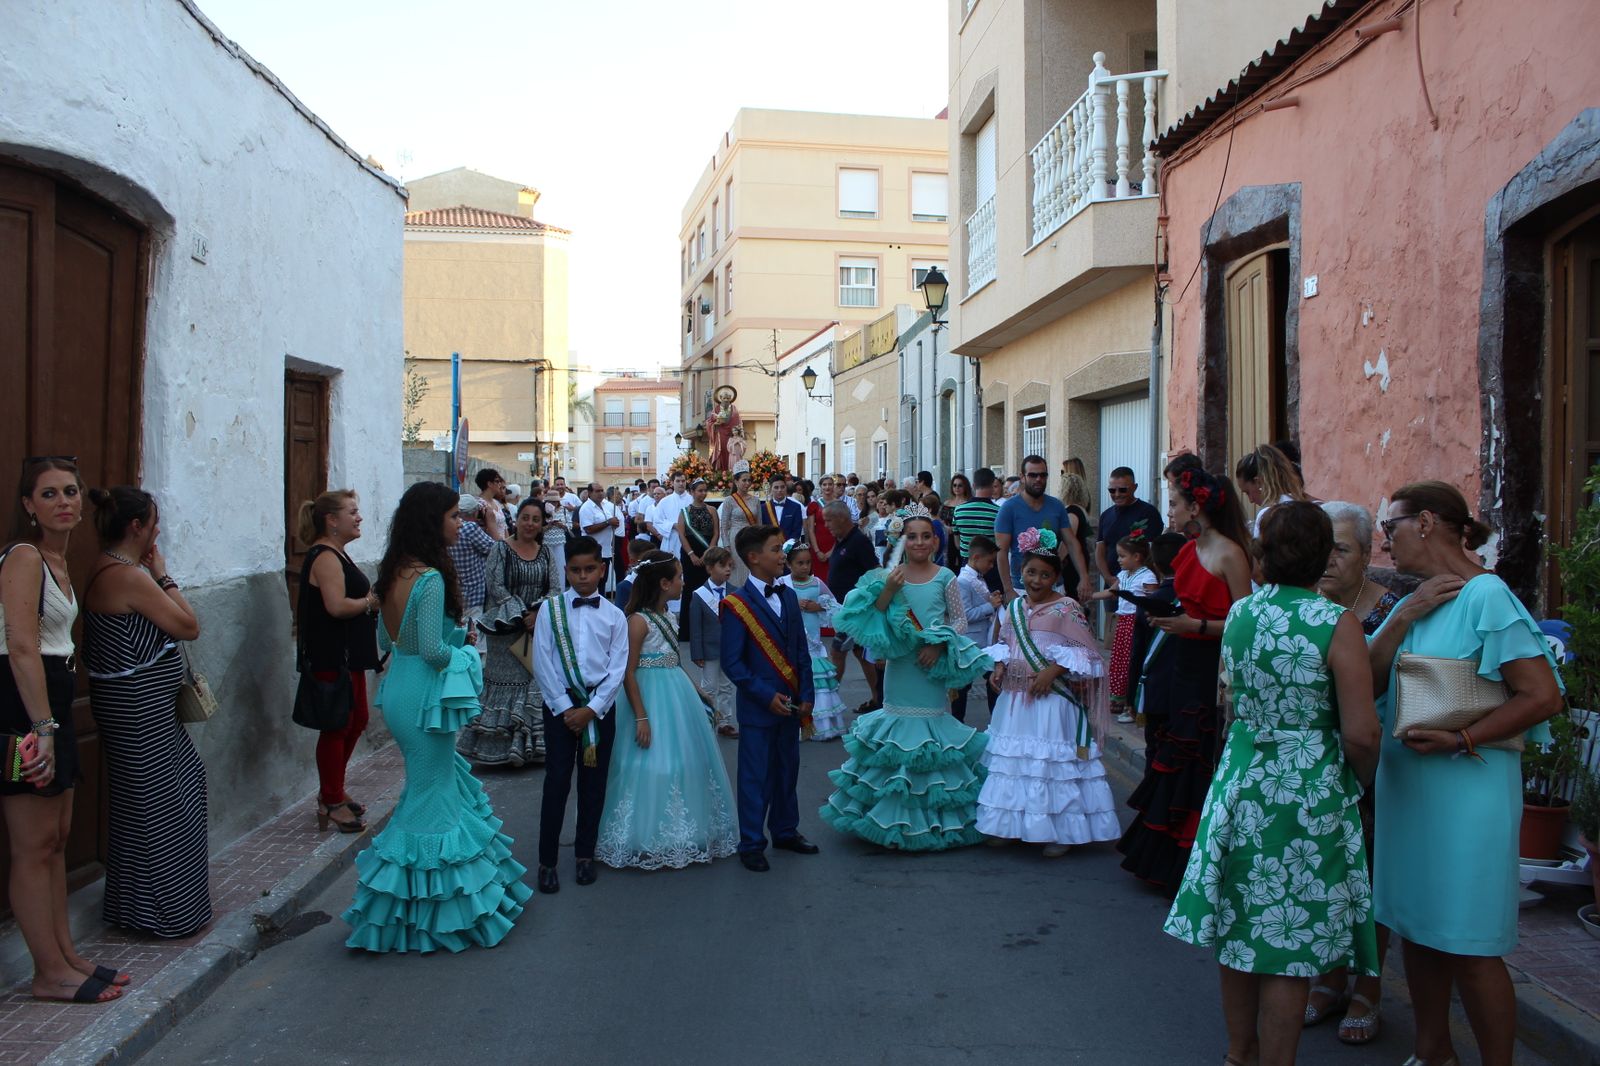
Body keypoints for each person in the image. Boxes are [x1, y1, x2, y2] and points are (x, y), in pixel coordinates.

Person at [1165, 502, 1382, 1066]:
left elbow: (1229, 701)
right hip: (1306, 791)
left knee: (1240, 927)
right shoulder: (1337, 623)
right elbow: (1361, 733)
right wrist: (1358, 786)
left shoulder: (1241, 614)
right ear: (1322, 556)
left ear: (1263, 555)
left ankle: (1240, 1054)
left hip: (1242, 779)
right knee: (1288, 945)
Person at [1366, 481, 1564, 1066]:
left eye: (1391, 527)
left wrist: (1463, 736)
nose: (1386, 542)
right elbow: (1369, 681)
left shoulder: (1487, 597)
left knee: (1472, 944)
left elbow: (1544, 696)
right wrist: (1404, 615)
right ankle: (1433, 1053)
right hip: (1409, 787)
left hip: (1465, 787)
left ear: (1426, 522)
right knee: (1416, 929)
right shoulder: (1417, 599)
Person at [344, 482, 531, 952]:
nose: (460, 524)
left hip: (402, 690)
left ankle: (416, 907)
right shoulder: (426, 578)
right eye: (453, 516)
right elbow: (432, 651)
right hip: (427, 692)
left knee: (431, 789)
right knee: (430, 799)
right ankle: (432, 913)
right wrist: (467, 652)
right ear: (432, 522)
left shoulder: (392, 572)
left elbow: (389, 644)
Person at [0, 459, 126, 1004]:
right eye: (47, 494)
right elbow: (21, 644)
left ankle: (66, 955)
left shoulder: (60, 558)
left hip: (50, 696)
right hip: (23, 705)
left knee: (56, 840)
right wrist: (43, 727)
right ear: (28, 506)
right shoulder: (25, 557)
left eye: (70, 491)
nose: (63, 501)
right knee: (32, 845)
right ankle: (47, 972)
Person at [823, 505, 992, 850]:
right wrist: (887, 590)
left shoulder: (946, 576)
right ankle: (891, 818)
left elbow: (960, 622)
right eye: (912, 536)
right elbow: (875, 613)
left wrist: (940, 644)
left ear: (935, 540)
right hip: (901, 665)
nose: (919, 542)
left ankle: (933, 819)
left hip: (931, 667)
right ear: (903, 539)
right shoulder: (892, 573)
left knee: (929, 739)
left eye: (925, 536)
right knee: (898, 734)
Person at [82, 486, 210, 938]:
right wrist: (165, 577)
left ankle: (138, 907)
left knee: (151, 801)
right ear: (137, 527)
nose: (159, 529)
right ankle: (166, 913)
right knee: (164, 805)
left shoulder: (112, 567)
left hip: (140, 710)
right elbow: (188, 626)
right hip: (140, 713)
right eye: (154, 521)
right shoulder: (128, 575)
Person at [1117, 467, 1252, 891]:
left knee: (1201, 758)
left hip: (1210, 670)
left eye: (1174, 503)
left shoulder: (1231, 552)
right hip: (1180, 664)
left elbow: (1245, 621)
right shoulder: (1189, 549)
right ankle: (1169, 861)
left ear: (1197, 507)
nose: (1169, 511)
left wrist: (1194, 627)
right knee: (1177, 755)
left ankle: (1198, 864)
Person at [1303, 500, 1401, 1043]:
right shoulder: (1307, 606)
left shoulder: (1388, 611)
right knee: (1326, 875)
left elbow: (1382, 689)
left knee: (1370, 879)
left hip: (1371, 763)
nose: (1330, 560)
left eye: (1342, 549)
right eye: (1324, 548)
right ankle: (1329, 975)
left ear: (1366, 555)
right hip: (1316, 767)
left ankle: (1368, 985)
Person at [977, 529, 1119, 855]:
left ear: (1055, 577)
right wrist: (999, 668)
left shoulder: (1066, 608)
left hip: (1051, 700)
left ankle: (1058, 831)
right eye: (1030, 572)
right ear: (1020, 572)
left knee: (1050, 766)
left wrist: (1053, 671)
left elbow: (1085, 653)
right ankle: (1008, 824)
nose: (1036, 580)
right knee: (1015, 764)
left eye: (1044, 575)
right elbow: (1005, 644)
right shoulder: (1013, 609)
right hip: (1015, 700)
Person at [595, 554, 738, 870]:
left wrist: (700, 692)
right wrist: (641, 716)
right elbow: (628, 671)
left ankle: (683, 832)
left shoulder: (670, 616)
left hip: (677, 692)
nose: (683, 582)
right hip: (647, 694)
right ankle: (641, 833)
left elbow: (673, 659)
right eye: (679, 577)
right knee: (647, 763)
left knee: (686, 759)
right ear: (663, 584)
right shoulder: (638, 621)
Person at [530, 536, 630, 893]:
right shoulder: (550, 610)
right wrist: (566, 707)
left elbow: (617, 668)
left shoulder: (615, 615)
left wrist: (591, 709)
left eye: (590, 570)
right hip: (561, 709)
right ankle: (547, 861)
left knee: (593, 784)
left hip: (598, 711)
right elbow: (542, 661)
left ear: (602, 571)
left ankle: (585, 855)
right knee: (556, 783)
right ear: (566, 570)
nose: (583, 577)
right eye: (575, 570)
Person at [720, 525, 819, 873]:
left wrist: (806, 693)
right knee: (754, 776)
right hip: (759, 707)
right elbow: (733, 662)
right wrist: (765, 695)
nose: (782, 556)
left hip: (791, 703)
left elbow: (801, 650)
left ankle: (785, 830)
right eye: (776, 550)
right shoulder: (736, 604)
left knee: (786, 770)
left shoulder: (788, 596)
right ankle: (751, 841)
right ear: (753, 557)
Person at [292, 490, 381, 834]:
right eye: (352, 512)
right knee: (338, 725)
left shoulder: (337, 554)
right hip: (332, 656)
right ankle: (330, 800)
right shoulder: (326, 557)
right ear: (331, 520)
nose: (359, 518)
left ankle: (333, 790)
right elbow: (336, 606)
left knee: (355, 720)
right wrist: (369, 602)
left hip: (346, 656)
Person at [457, 499, 555, 769]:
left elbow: (555, 588)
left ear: (541, 523)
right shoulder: (501, 548)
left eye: (536, 519)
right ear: (518, 519)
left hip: (537, 628)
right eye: (525, 517)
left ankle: (532, 748)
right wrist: (522, 613)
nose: (530, 524)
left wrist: (538, 613)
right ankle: (499, 748)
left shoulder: (545, 552)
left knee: (534, 682)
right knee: (506, 682)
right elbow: (495, 585)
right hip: (505, 626)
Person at [778, 543, 846, 741]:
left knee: (815, 681)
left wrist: (818, 606)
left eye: (808, 562)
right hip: (790, 641)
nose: (805, 567)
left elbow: (834, 607)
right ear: (789, 564)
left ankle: (820, 724)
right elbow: (772, 607)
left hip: (812, 641)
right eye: (800, 563)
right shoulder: (782, 583)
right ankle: (795, 723)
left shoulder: (817, 583)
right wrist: (791, 604)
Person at [1089, 534, 1156, 724]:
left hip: (1137, 624)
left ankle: (1130, 704)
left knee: (1132, 662)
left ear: (1137, 556)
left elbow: (1152, 600)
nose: (1118, 560)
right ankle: (1118, 699)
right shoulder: (1123, 575)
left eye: (1122, 555)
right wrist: (1091, 596)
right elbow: (1112, 593)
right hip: (1123, 623)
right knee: (1119, 661)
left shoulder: (1147, 576)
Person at [824, 500, 882, 714]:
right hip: (844, 610)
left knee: (840, 652)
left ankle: (829, 701)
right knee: (859, 654)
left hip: (856, 612)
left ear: (842, 518)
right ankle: (877, 698)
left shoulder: (858, 541)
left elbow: (875, 572)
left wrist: (867, 603)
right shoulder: (842, 540)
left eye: (829, 520)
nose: (826, 525)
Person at [994, 456, 1073, 602]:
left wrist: (1084, 577)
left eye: (1043, 475)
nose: (1038, 479)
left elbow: (1072, 543)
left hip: (1054, 587)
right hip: (1021, 588)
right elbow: (1001, 551)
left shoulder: (1057, 506)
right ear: (1022, 477)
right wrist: (1008, 589)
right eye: (1033, 475)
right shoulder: (1009, 508)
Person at [952, 535, 1003, 724]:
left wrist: (991, 598)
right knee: (962, 687)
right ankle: (957, 724)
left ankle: (996, 723)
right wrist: (990, 606)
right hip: (969, 643)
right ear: (975, 558)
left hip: (984, 642)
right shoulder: (963, 581)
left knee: (993, 682)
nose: (991, 566)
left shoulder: (976, 578)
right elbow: (964, 615)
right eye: (989, 561)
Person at [688, 547, 738, 738]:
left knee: (726, 686)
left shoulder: (735, 592)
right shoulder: (699, 594)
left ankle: (725, 721)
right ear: (709, 568)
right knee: (709, 686)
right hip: (708, 650)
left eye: (730, 566)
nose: (727, 570)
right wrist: (696, 653)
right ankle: (706, 719)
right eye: (722, 565)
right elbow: (695, 628)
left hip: (729, 649)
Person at [1096, 466, 1164, 592]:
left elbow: (1153, 552)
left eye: (1122, 490)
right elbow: (1100, 550)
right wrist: (1108, 578)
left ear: (1134, 487)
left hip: (1140, 586)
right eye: (1112, 490)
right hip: (1113, 584)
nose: (1117, 494)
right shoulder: (1106, 516)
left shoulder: (1148, 513)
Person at [675, 479, 719, 642]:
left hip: (708, 552)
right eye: (699, 490)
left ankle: (709, 629)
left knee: (708, 589)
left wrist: (709, 552)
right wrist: (692, 554)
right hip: (690, 554)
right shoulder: (684, 511)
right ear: (692, 492)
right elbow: (681, 534)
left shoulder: (712, 510)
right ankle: (687, 632)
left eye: (705, 490)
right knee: (690, 591)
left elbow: (716, 532)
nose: (702, 493)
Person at [1236, 444, 1313, 535]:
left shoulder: (1266, 515)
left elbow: (1260, 549)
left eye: (1248, 492)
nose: (1251, 500)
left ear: (1258, 482)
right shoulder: (1307, 506)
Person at [447, 494, 495, 621]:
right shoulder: (470, 528)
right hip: (475, 596)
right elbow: (496, 549)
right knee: (476, 637)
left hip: (455, 596)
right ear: (474, 513)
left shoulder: (447, 531)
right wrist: (490, 525)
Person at [952, 468, 1002, 572]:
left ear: (974, 485)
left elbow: (957, 544)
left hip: (967, 563)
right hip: (990, 565)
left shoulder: (958, 510)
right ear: (992, 486)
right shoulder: (999, 512)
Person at [1057, 473, 1096, 604]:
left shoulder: (1072, 511)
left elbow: (1068, 541)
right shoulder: (1081, 509)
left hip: (1071, 563)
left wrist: (1055, 562)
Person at [718, 471, 760, 587]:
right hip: (735, 540)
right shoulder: (729, 501)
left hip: (751, 540)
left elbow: (759, 525)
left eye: (749, 480)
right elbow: (724, 526)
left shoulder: (755, 500)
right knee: (737, 572)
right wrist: (727, 547)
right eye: (744, 480)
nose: (747, 483)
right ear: (736, 482)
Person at [577, 481, 618, 593]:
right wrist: (608, 523)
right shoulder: (586, 508)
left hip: (606, 550)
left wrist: (614, 523)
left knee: (602, 581)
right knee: (595, 582)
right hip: (593, 551)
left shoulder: (605, 506)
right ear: (590, 493)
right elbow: (588, 529)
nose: (600, 493)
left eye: (601, 490)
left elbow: (610, 521)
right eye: (597, 491)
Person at [705, 384, 742, 471]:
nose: (726, 400)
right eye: (724, 398)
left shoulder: (734, 410)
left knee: (732, 457)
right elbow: (709, 422)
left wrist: (738, 433)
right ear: (720, 398)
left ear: (730, 399)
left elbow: (739, 423)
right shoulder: (716, 410)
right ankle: (720, 473)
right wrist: (715, 424)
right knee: (720, 456)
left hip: (731, 438)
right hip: (719, 437)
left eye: (728, 398)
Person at [760, 476, 803, 544]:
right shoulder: (764, 508)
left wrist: (788, 546)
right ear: (771, 489)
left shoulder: (795, 507)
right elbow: (762, 530)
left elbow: (797, 530)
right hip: (770, 547)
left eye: (782, 487)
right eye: (776, 487)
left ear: (786, 488)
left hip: (790, 547)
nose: (779, 490)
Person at [541, 498, 570, 593]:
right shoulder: (543, 510)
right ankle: (547, 591)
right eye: (551, 501)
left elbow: (570, 526)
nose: (553, 503)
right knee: (547, 567)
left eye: (555, 501)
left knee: (561, 567)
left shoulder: (563, 510)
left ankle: (560, 590)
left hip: (560, 542)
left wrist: (562, 525)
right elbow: (539, 529)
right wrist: (549, 525)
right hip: (546, 542)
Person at [475, 468, 508, 541]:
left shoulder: (496, 502)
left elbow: (504, 527)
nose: (500, 484)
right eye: (497, 481)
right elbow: (490, 531)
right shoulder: (480, 504)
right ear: (489, 484)